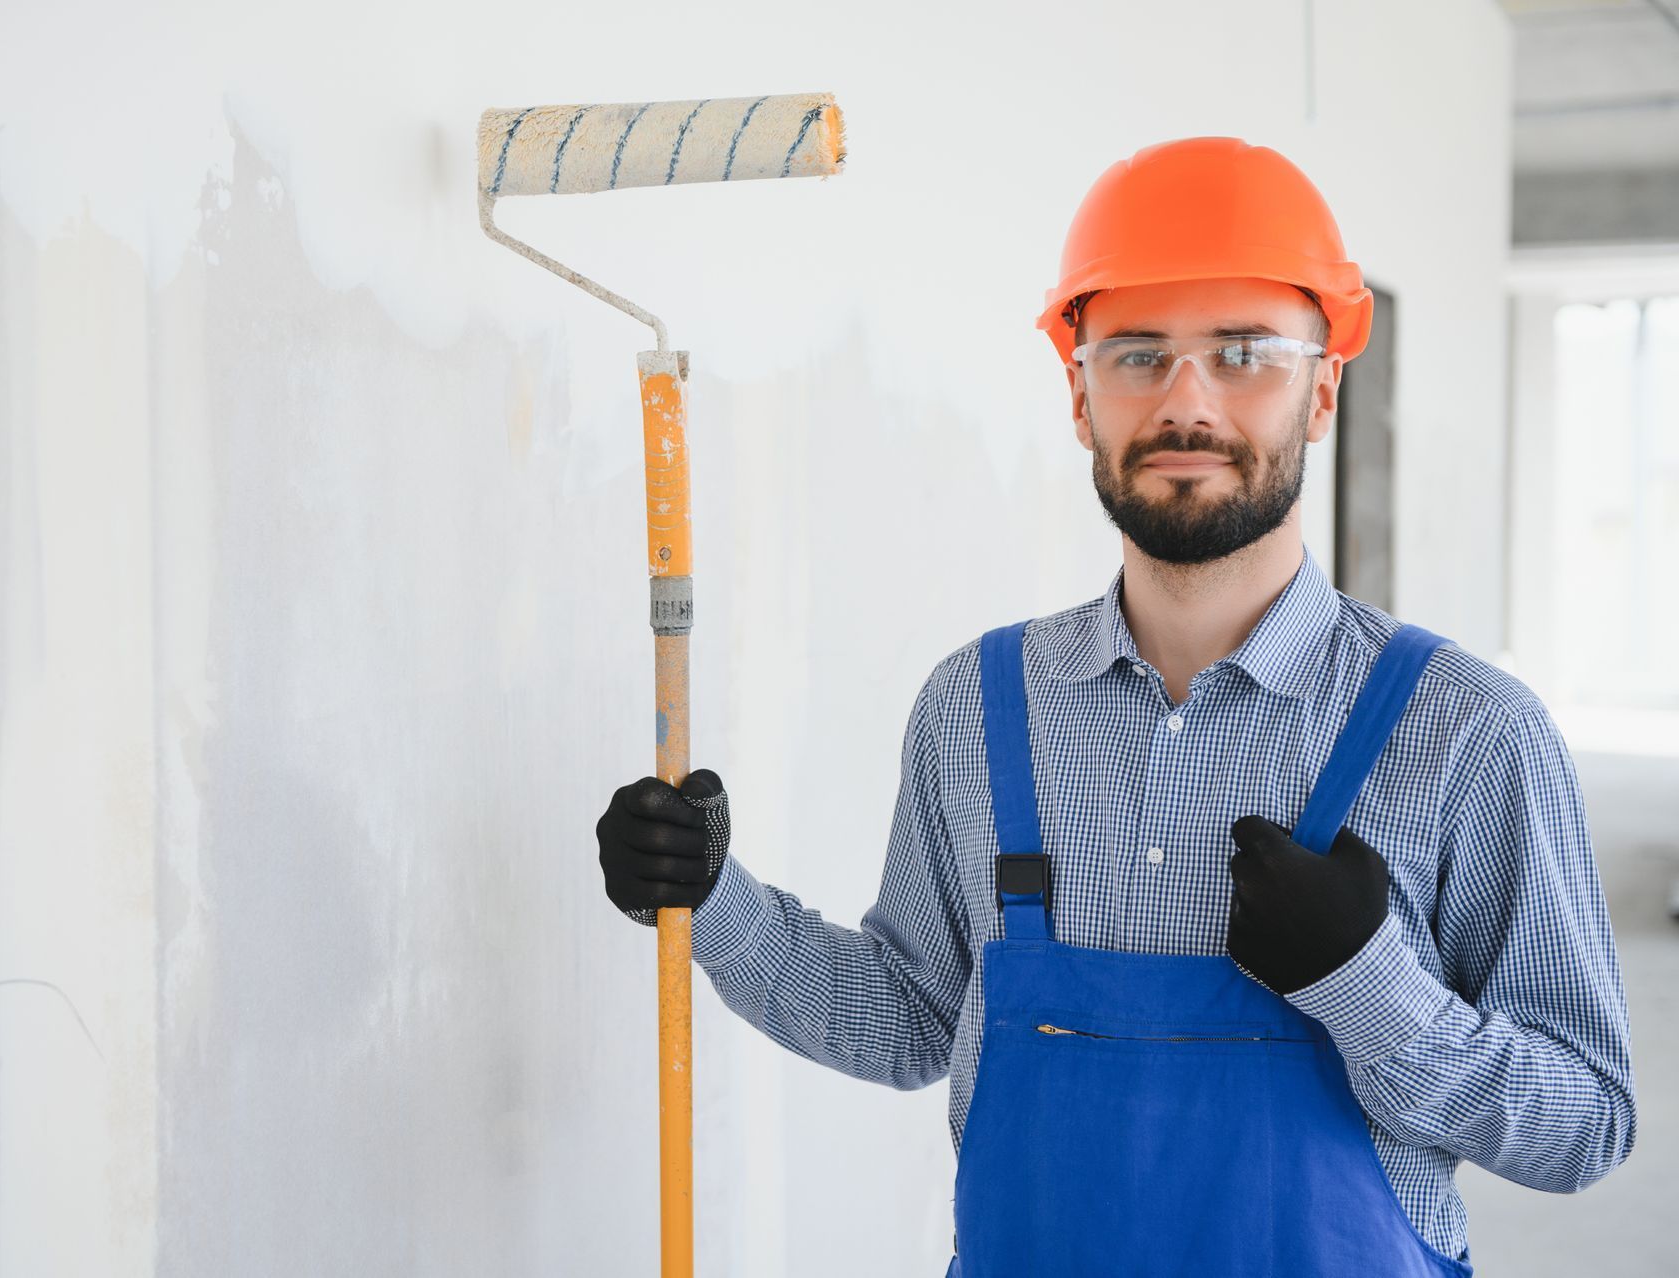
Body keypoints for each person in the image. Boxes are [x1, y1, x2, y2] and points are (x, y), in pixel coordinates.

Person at [594, 136, 1636, 1276]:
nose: (1187, 403)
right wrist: (710, 900)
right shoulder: (976, 710)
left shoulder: (1467, 730)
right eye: (1138, 355)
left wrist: (1368, 984)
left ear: (1322, 392)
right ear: (1081, 397)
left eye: (1244, 354)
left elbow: (1585, 1123)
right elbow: (906, 1023)